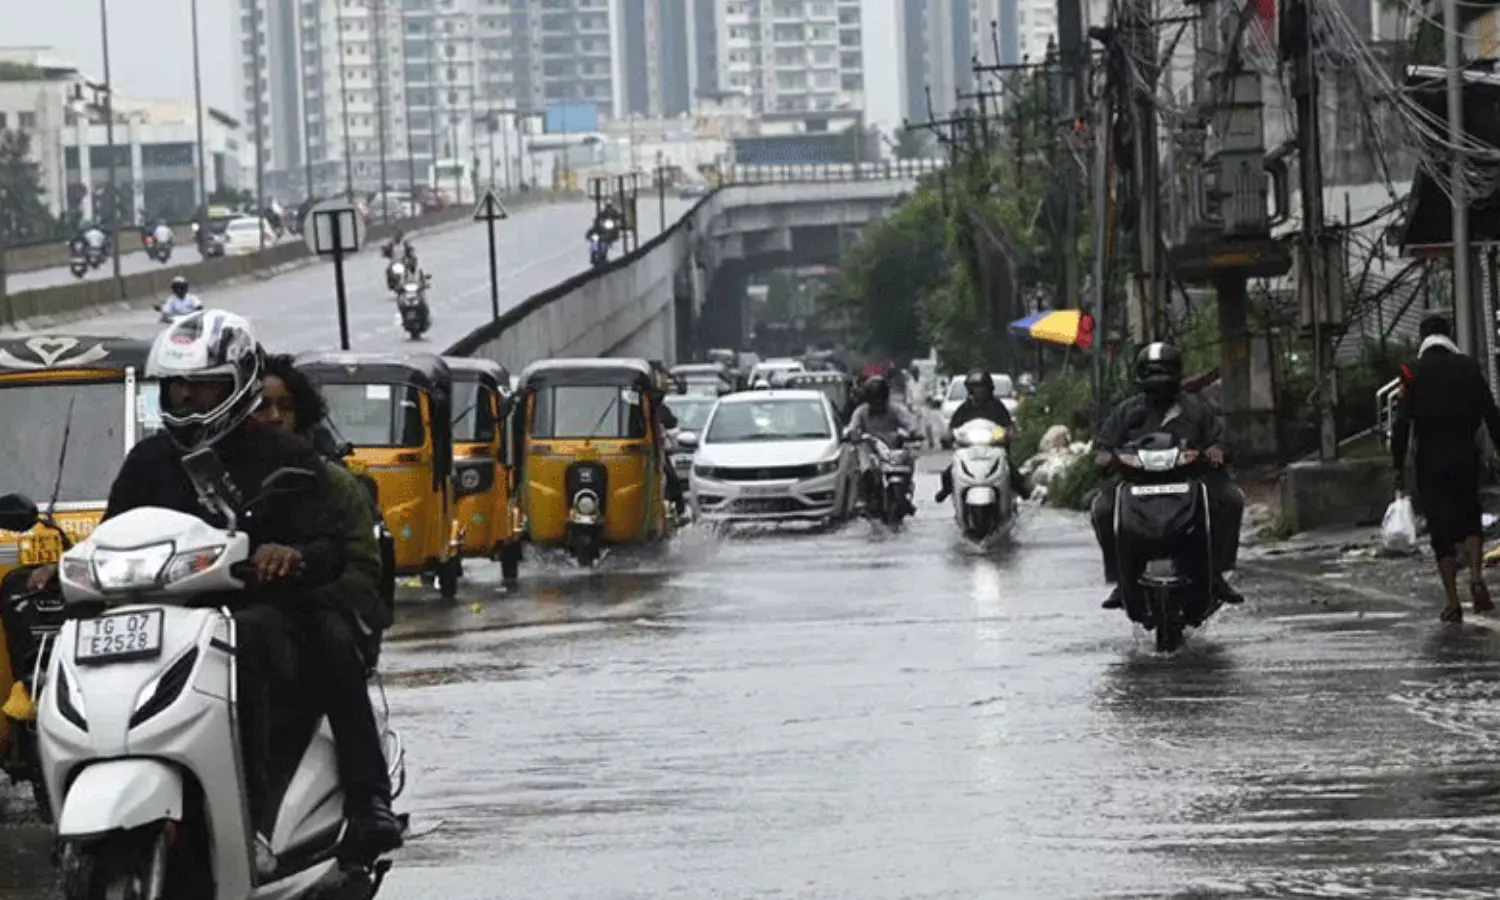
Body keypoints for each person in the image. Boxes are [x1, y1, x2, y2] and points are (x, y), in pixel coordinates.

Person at [32, 310, 403, 860]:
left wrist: (290, 556)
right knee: (61, 644)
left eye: (203, 387)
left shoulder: (289, 456)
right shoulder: (149, 460)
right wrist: (64, 564)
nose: (186, 399)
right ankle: (61, 801)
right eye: (176, 387)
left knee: (328, 637)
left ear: (238, 386)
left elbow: (328, 548)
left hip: (261, 612)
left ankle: (363, 799)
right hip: (165, 614)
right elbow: (114, 532)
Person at [1091, 342, 1245, 610]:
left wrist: (1216, 452)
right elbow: (1104, 444)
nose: (1157, 379)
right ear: (1140, 375)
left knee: (1232, 500)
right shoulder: (1128, 411)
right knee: (1102, 509)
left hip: (1192, 480)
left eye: (1163, 371)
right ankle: (1120, 577)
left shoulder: (1197, 408)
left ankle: (1217, 572)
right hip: (1136, 482)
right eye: (1151, 372)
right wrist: (1104, 457)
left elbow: (1218, 438)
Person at [255, 354, 392, 646]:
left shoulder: (333, 482)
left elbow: (364, 570)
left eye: (286, 407)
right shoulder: (214, 477)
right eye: (262, 407)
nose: (275, 417)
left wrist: (305, 593)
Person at [1391, 313, 1500, 623]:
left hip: (1431, 461)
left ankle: (1453, 601)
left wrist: (1398, 465)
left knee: (1440, 528)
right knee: (1470, 517)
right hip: (1466, 456)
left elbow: (1401, 425)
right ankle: (1476, 576)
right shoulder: (1468, 367)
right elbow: (1491, 413)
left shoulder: (1411, 371)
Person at [934, 369, 1031, 503]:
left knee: (1013, 473)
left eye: (982, 387)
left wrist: (1010, 434)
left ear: (988, 388)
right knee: (948, 473)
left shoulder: (997, 406)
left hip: (994, 449)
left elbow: (1008, 425)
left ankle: (1022, 491)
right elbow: (952, 426)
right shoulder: (965, 407)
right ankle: (946, 490)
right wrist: (948, 436)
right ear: (970, 389)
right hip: (970, 452)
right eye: (975, 387)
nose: (979, 391)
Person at [846, 375, 922, 509]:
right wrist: (853, 434)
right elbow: (853, 427)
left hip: (893, 452)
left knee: (909, 458)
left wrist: (914, 432)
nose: (877, 403)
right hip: (871, 452)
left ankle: (905, 490)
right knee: (863, 466)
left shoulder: (896, 409)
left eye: (880, 399)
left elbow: (910, 422)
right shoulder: (861, 412)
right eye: (874, 400)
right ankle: (866, 495)